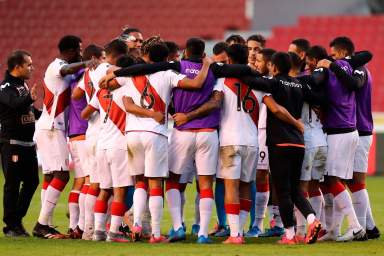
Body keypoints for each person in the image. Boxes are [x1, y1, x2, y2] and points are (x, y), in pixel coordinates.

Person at [109, 39, 213, 243]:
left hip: (132, 134)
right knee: (155, 184)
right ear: (166, 58)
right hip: (155, 133)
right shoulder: (168, 74)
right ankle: (156, 233)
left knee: (140, 182)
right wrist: (206, 65)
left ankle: (137, 222)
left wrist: (110, 74)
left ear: (147, 56)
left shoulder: (131, 74)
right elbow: (196, 83)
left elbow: (124, 102)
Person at [241, 52, 321, 245]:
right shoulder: (300, 84)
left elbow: (250, 80)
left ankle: (290, 235)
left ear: (274, 67)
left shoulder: (274, 83)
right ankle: (312, 219)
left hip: (280, 142)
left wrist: (244, 67)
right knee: (294, 190)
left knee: (282, 191)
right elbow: (319, 98)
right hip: (298, 143)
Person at [33, 35, 97, 238]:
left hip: (50, 127)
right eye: (79, 49)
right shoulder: (56, 66)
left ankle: (46, 223)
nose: (80, 52)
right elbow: (66, 70)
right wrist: (88, 62)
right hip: (52, 127)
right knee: (62, 175)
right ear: (70, 51)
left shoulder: (65, 69)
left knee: (50, 176)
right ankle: (42, 223)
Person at [0, 50, 39, 237]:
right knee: (12, 184)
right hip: (12, 143)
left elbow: (29, 110)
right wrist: (30, 98)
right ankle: (11, 225)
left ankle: (16, 221)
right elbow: (15, 104)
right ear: (17, 67)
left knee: (32, 181)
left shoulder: (22, 84)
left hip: (27, 144)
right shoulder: (5, 87)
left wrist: (45, 113)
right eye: (29, 64)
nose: (32, 68)